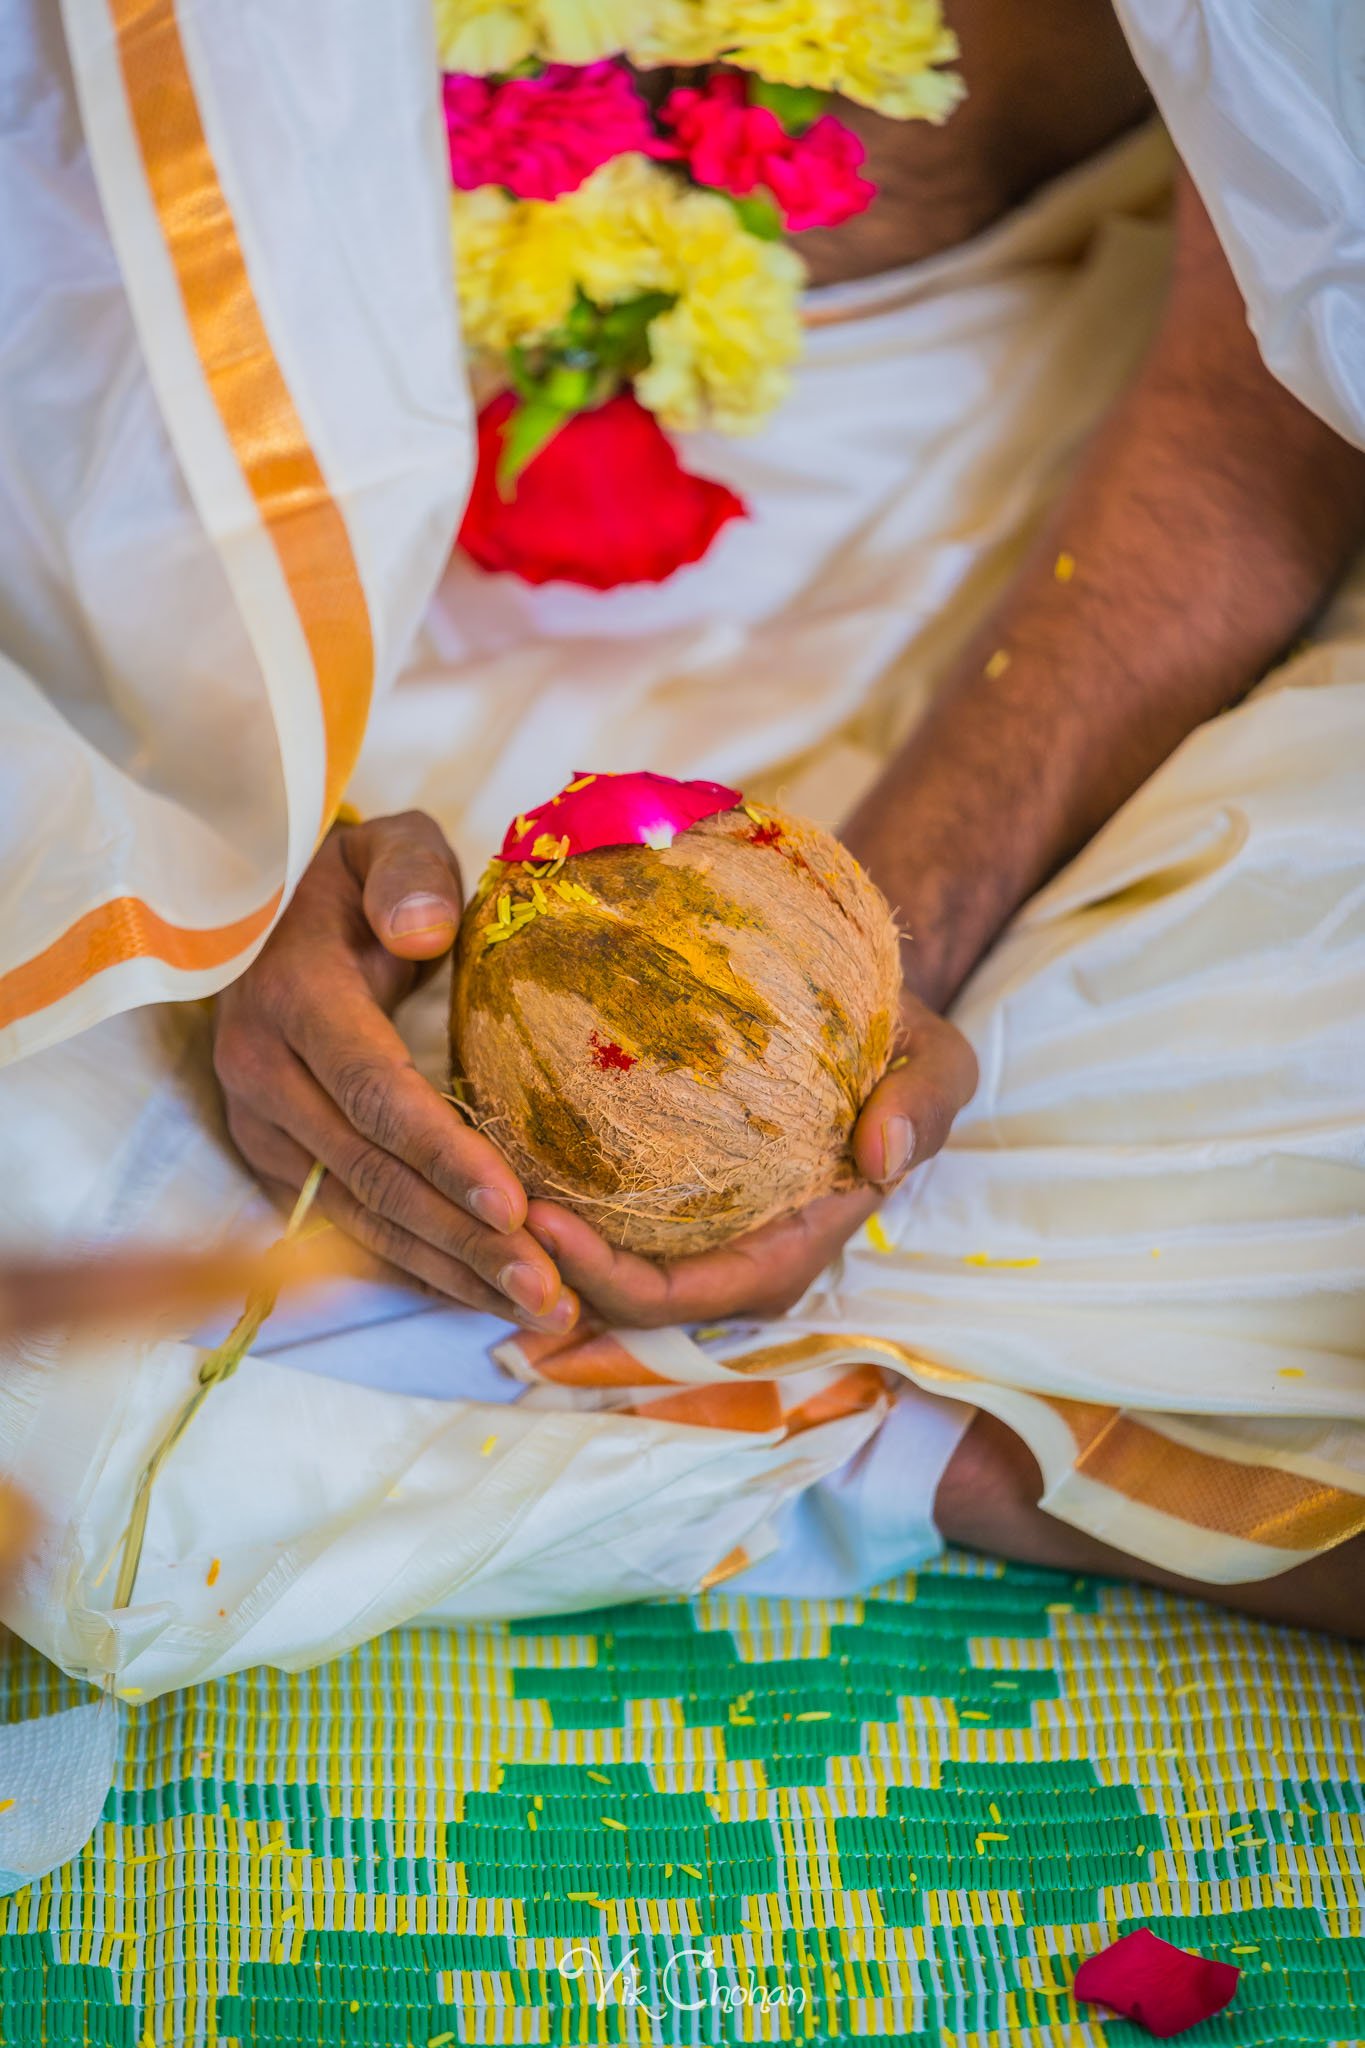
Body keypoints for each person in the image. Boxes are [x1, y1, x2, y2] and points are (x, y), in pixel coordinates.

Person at [1, 0, 1362, 1695]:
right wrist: (218, 850)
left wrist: (881, 940)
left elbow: (1299, 340)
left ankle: (803, 1403)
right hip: (257, 588)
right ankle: (916, 1406)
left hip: (1053, 515)